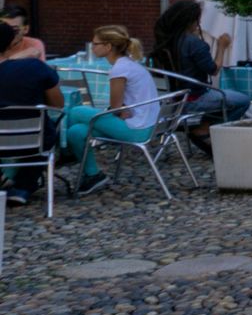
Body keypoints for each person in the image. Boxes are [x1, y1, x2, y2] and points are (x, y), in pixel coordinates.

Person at [62, 25, 159, 197]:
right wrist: (120, 110)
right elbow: (119, 108)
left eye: (95, 44)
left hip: (136, 130)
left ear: (108, 47)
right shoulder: (129, 64)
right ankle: (93, 175)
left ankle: (63, 152)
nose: (92, 47)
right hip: (148, 124)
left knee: (76, 111)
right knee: (75, 132)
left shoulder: (119, 69)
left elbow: (115, 107)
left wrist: (119, 110)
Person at [148, 0, 250, 153]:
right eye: (198, 19)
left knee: (224, 98)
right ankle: (204, 129)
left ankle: (202, 128)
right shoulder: (194, 44)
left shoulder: (165, 42)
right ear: (190, 20)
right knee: (243, 100)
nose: (200, 22)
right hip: (195, 98)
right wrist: (221, 46)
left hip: (172, 100)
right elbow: (213, 70)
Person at [0, 21, 63, 206]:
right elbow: (57, 104)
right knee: (48, 130)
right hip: (32, 140)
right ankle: (23, 186)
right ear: (12, 43)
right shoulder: (35, 67)